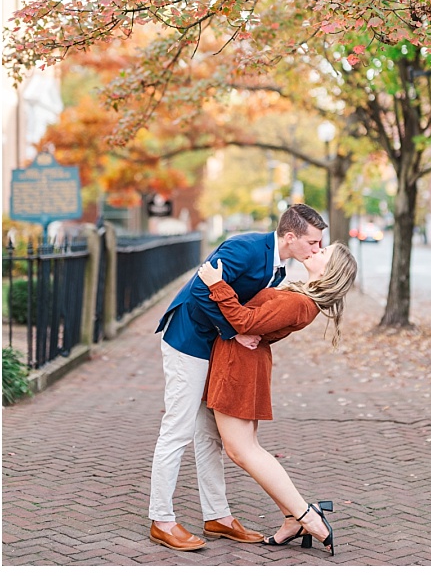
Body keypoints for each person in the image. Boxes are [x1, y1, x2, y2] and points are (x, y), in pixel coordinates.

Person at [148, 204, 326, 551]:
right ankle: (161, 519)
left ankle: (218, 516)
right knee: (177, 430)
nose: (316, 249)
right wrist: (234, 331)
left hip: (213, 346)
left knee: (208, 435)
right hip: (188, 340)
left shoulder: (278, 267)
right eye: (313, 243)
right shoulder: (245, 248)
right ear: (290, 237)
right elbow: (202, 289)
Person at [196, 241, 358, 555]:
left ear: (330, 270)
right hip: (241, 364)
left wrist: (217, 285)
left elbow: (244, 322)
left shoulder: (300, 302)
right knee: (246, 449)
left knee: (242, 451)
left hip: (239, 368)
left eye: (324, 252)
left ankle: (307, 516)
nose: (317, 250)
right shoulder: (301, 296)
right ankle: (292, 518)